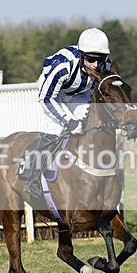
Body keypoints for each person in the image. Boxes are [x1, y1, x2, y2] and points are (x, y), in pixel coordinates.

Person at [21, 28, 113, 198]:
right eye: (91, 59)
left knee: (88, 127)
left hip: (79, 92)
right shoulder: (63, 66)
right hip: (53, 94)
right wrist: (67, 121)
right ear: (81, 54)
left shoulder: (105, 65)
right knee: (57, 132)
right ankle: (33, 177)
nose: (95, 65)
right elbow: (46, 98)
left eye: (100, 59)